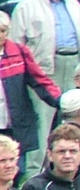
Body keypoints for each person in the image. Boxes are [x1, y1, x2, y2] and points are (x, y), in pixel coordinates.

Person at [10, 0, 80, 155]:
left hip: (75, 67)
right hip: (43, 72)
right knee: (43, 124)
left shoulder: (74, 4)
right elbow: (15, 45)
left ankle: (78, 164)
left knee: (77, 119)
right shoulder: (26, 6)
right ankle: (35, 174)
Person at [0, 9, 63, 172]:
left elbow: (39, 80)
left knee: (17, 170)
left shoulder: (19, 52)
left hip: (16, 123)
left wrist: (60, 101)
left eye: (3, 31)